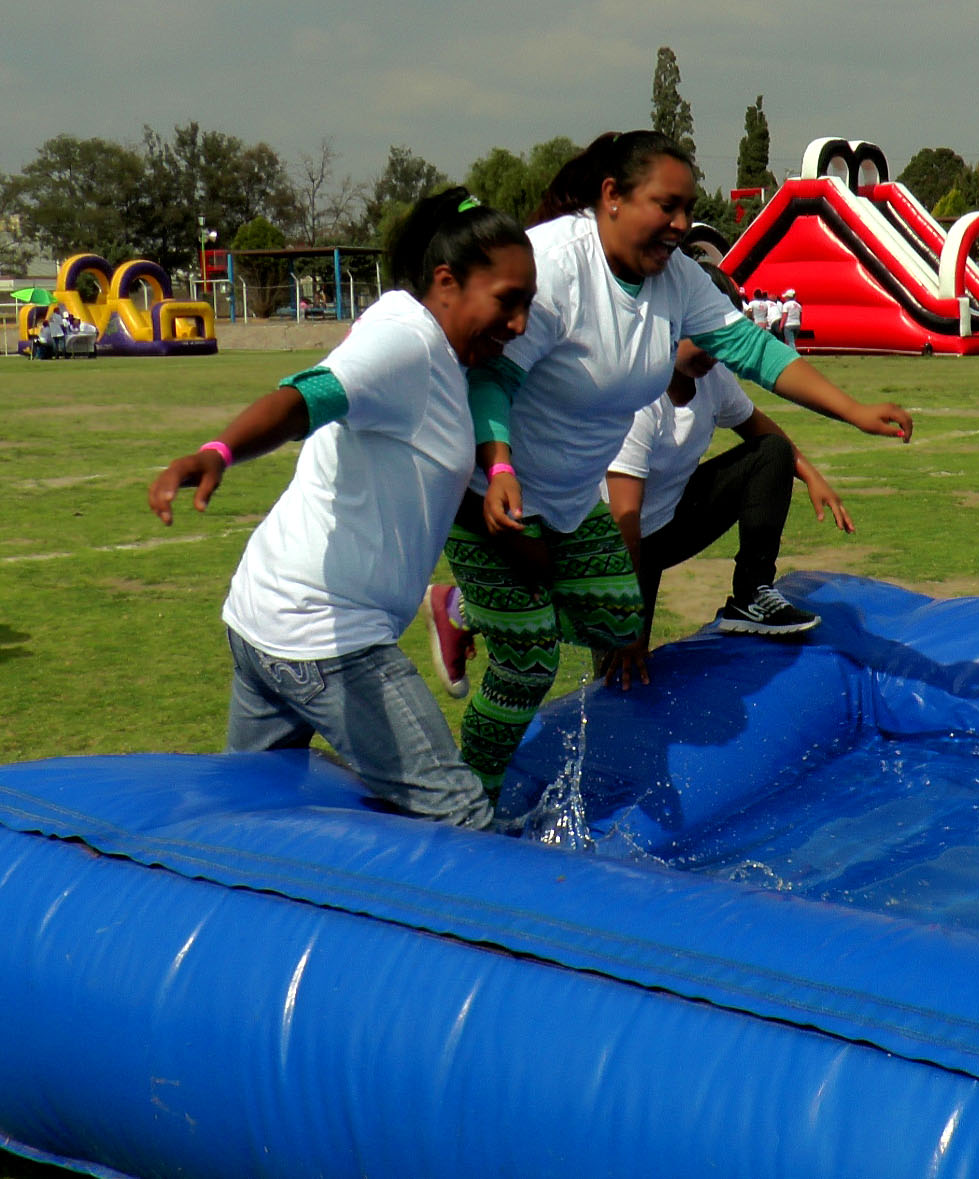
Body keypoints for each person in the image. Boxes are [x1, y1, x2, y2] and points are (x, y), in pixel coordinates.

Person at [423, 130, 912, 793]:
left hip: (570, 501)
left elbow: (752, 349)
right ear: (613, 196)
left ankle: (462, 609)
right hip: (487, 493)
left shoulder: (677, 278)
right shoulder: (556, 267)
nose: (681, 224)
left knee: (620, 621)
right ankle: (467, 800)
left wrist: (852, 410)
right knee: (528, 664)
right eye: (666, 205)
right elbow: (490, 378)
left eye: (689, 209)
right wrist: (501, 467)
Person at [145, 188, 536, 829]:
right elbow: (311, 395)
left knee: (252, 813)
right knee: (462, 815)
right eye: (507, 301)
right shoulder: (407, 343)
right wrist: (220, 451)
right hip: (328, 641)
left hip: (265, 615)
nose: (519, 324)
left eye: (528, 304)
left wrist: (496, 475)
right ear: (446, 282)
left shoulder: (434, 343)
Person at [605, 271, 859, 643]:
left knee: (772, 451)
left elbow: (762, 431)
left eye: (722, 340)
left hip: (666, 523)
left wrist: (811, 476)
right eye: (702, 336)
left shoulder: (714, 379)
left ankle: (752, 593)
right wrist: (624, 620)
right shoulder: (640, 396)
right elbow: (623, 517)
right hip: (616, 543)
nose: (713, 352)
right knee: (623, 659)